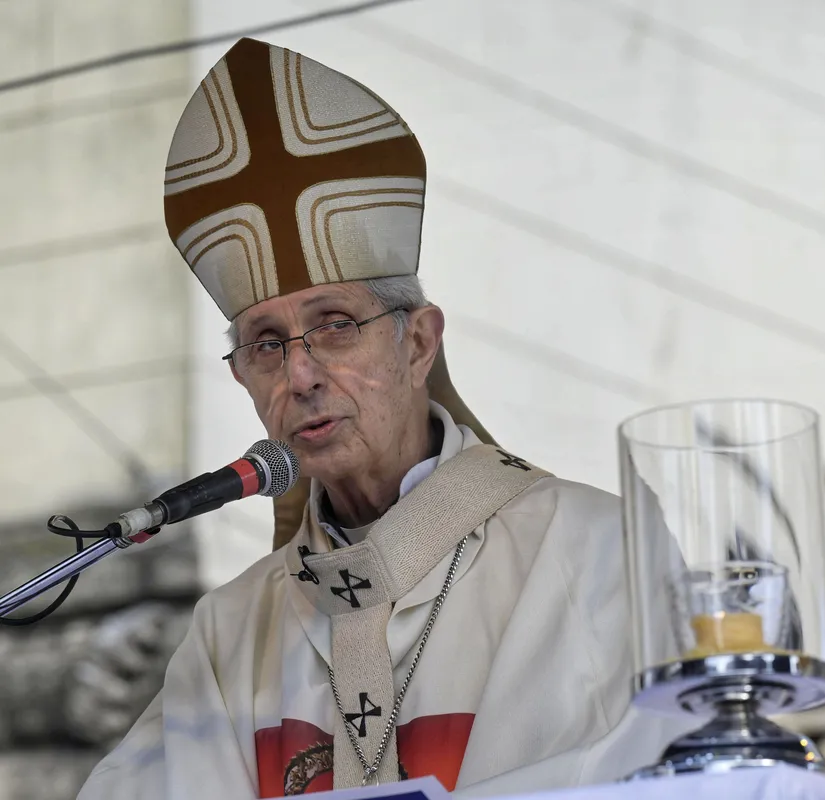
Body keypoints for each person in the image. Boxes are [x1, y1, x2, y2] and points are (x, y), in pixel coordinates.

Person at [78, 37, 683, 798]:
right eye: (264, 345)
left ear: (419, 341)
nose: (299, 375)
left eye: (334, 323)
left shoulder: (598, 554)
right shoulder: (231, 634)